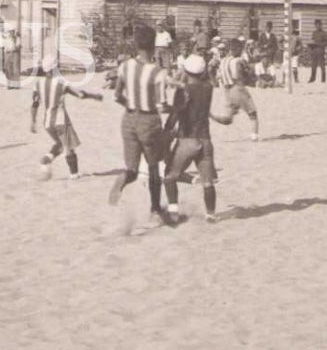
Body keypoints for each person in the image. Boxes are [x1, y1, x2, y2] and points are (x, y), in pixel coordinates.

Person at [106, 24, 172, 226]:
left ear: (136, 44)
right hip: (148, 121)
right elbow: (162, 106)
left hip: (128, 119)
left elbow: (117, 95)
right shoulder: (158, 72)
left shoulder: (125, 66)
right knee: (153, 167)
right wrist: (179, 107)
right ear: (153, 46)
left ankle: (123, 179)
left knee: (132, 169)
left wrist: (131, 105)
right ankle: (155, 211)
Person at [162, 53, 234, 224]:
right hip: (205, 139)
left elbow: (176, 113)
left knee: (169, 176)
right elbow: (205, 81)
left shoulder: (183, 90)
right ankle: (211, 214)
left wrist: (167, 131)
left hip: (187, 139)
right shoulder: (208, 88)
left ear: (186, 70)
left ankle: (173, 213)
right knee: (208, 183)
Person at [30, 59, 105, 178]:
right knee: (69, 147)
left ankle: (48, 158)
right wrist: (94, 96)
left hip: (47, 122)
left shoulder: (38, 84)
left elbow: (34, 104)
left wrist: (33, 121)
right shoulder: (61, 83)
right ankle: (74, 174)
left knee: (60, 144)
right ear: (55, 68)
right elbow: (80, 95)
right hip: (61, 120)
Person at [216, 39, 260, 140]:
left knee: (228, 118)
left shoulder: (223, 61)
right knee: (252, 113)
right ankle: (254, 136)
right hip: (238, 88)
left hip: (227, 90)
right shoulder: (239, 60)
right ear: (237, 49)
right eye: (240, 49)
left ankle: (211, 116)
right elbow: (247, 73)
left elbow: (218, 75)